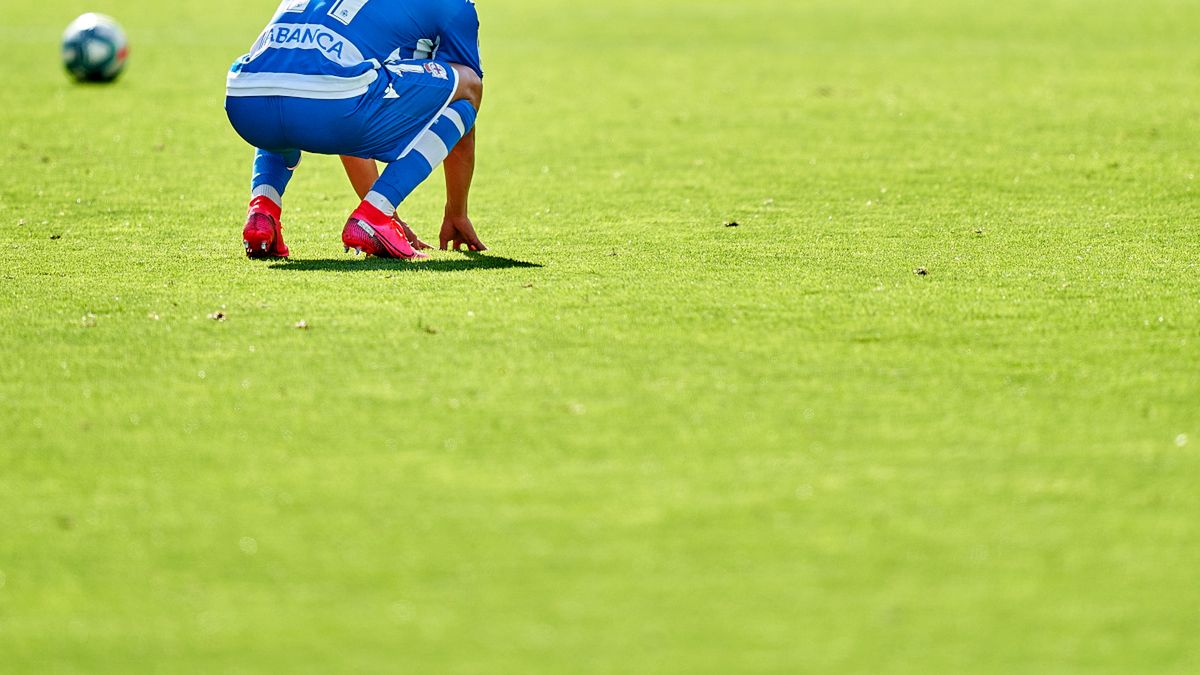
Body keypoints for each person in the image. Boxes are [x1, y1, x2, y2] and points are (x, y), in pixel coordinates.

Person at [225, 0, 487, 259]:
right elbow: (461, 99)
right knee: (469, 86)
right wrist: (456, 212)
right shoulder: (455, 6)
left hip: (245, 100)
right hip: (334, 105)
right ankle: (374, 215)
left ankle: (263, 209)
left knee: (288, 79)